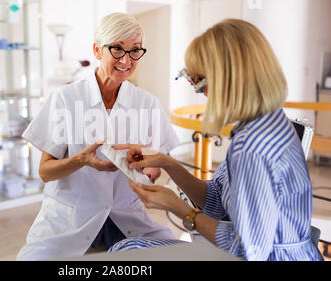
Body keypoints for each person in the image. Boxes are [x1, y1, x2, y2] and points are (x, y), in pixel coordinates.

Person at [110, 19, 324, 261]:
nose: (201, 93)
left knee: (128, 253)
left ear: (230, 79)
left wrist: (181, 209)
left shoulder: (253, 148)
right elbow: (216, 201)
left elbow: (248, 251)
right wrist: (168, 163)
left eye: (201, 82)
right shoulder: (261, 124)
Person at [16, 12, 181, 260]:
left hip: (126, 216)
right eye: (117, 48)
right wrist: (80, 160)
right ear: (97, 50)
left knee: (181, 254)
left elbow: (158, 169)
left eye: (135, 50)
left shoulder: (147, 104)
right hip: (71, 218)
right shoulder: (66, 99)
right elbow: (45, 172)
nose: (127, 59)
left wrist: (150, 170)